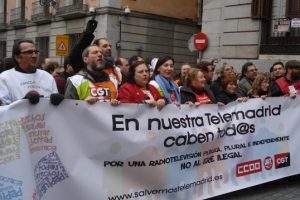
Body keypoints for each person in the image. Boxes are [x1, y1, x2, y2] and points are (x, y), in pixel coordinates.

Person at [0, 39, 61, 105]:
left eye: (36, 52)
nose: (34, 56)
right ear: (17, 57)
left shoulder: (47, 76)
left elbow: (55, 104)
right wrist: (24, 101)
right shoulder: (4, 78)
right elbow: (3, 109)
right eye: (29, 52)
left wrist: (58, 101)